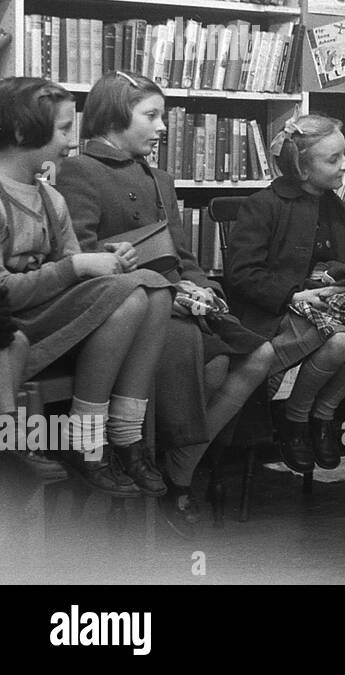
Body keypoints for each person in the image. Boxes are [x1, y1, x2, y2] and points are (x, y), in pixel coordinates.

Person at [56, 72, 275, 535]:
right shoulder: (80, 171)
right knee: (210, 366)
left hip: (176, 299)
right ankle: (169, 481)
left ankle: (179, 468)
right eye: (151, 116)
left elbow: (184, 257)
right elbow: (82, 257)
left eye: (163, 117)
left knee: (260, 353)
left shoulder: (160, 178)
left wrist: (202, 289)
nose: (162, 128)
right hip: (126, 308)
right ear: (116, 116)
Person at [0, 77, 172, 497]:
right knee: (132, 293)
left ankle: (125, 435)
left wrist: (105, 260)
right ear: (23, 133)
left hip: (47, 315)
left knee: (156, 287)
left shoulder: (51, 199)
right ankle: (85, 439)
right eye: (61, 129)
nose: (71, 140)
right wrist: (78, 266)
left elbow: (66, 267)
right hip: (15, 327)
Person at [224, 113, 345, 476]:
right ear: (302, 168)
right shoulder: (265, 205)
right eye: (333, 159)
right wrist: (294, 296)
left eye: (344, 155)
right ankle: (295, 421)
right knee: (340, 343)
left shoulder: (334, 204)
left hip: (328, 304)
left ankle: (322, 414)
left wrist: (343, 282)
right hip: (279, 309)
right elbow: (242, 274)